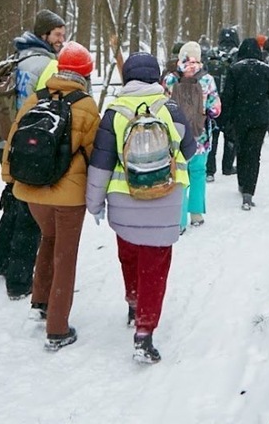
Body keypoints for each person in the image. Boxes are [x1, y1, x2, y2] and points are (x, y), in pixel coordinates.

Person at [86, 53, 196, 364]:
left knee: (130, 257)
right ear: (158, 78)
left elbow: (101, 164)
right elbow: (190, 149)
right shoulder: (171, 108)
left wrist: (94, 204)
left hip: (124, 203)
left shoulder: (114, 113)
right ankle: (145, 333)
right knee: (155, 268)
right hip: (164, 202)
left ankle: (133, 304)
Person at [4, 41, 100, 351]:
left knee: (48, 240)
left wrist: (9, 178)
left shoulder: (36, 98)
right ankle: (57, 328)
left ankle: (39, 303)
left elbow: (13, 140)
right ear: (86, 74)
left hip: (31, 191)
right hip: (68, 198)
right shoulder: (85, 105)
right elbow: (96, 154)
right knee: (65, 256)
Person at [0, 9, 67, 298]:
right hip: (30, 146)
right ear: (44, 34)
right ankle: (19, 282)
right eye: (57, 34)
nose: (61, 39)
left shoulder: (20, 57)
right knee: (30, 214)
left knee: (15, 202)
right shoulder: (47, 65)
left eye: (63, 34)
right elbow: (53, 105)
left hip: (10, 142)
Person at [163, 41, 221, 229]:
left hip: (176, 136)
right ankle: (196, 214)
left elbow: (161, 104)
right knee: (198, 173)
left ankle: (179, 222)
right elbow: (215, 108)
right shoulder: (207, 79)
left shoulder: (171, 79)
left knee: (179, 177)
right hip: (200, 136)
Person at [218, 37, 269, 210]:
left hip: (240, 118)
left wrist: (225, 119)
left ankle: (242, 183)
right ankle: (249, 192)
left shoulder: (235, 70)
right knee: (254, 154)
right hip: (260, 119)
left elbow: (227, 96)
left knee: (242, 150)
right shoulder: (267, 71)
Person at [209, 27, 239, 178]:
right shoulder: (237, 55)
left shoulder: (211, 54)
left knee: (211, 136)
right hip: (230, 103)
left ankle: (210, 171)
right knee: (230, 136)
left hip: (212, 102)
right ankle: (227, 167)